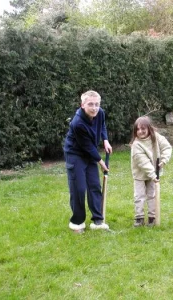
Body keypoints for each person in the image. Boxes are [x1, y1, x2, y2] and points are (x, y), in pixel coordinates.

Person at [63, 90, 112, 233]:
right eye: (90, 104)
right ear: (82, 105)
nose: (94, 107)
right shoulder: (77, 123)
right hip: (75, 154)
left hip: (90, 152)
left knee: (94, 185)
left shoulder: (100, 113)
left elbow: (102, 125)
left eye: (97, 104)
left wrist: (105, 140)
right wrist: (101, 162)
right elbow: (87, 146)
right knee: (79, 188)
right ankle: (77, 222)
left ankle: (98, 221)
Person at [130, 116, 172, 227]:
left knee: (152, 195)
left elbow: (167, 147)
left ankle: (152, 218)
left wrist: (164, 160)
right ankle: (139, 218)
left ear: (149, 128)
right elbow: (144, 163)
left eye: (143, 129)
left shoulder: (156, 137)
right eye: (137, 129)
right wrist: (153, 175)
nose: (140, 132)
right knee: (139, 196)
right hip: (140, 174)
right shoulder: (136, 145)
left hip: (154, 173)